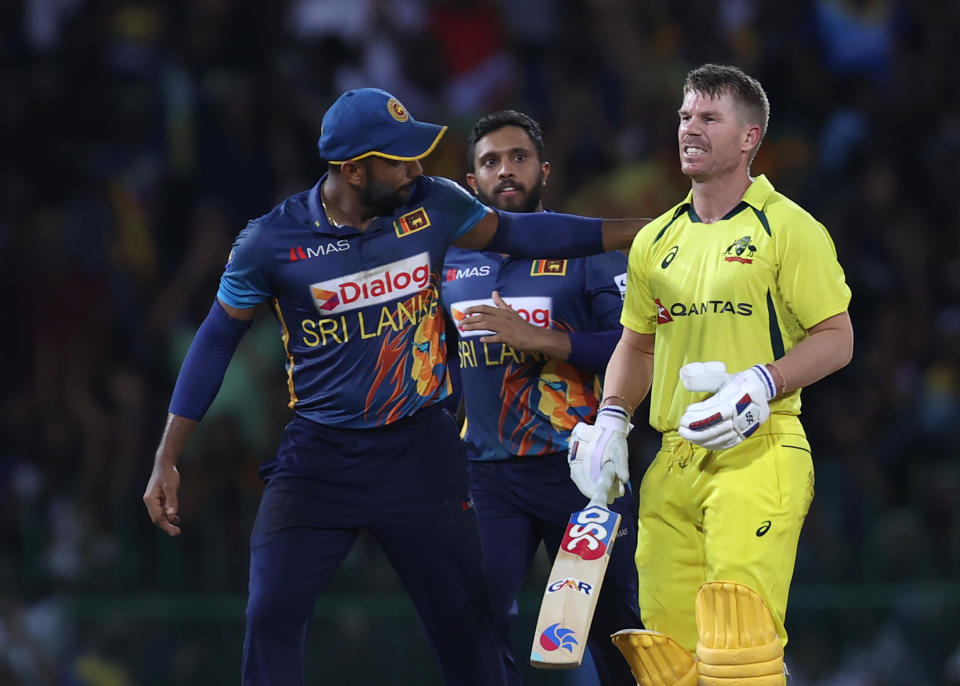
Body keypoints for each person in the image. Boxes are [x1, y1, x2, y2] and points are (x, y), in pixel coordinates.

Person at [141, 87, 645, 686]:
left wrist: (644, 229)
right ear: (352, 170)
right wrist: (169, 452)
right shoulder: (270, 241)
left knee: (469, 624)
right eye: (397, 159)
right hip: (320, 457)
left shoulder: (434, 204)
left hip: (419, 451)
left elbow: (525, 235)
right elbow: (216, 339)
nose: (415, 169)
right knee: (270, 610)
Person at [566, 64, 854, 686]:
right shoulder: (655, 239)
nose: (689, 129)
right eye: (684, 117)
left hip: (760, 451)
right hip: (672, 460)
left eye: (708, 118)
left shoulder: (788, 227)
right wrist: (612, 419)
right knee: (666, 662)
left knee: (737, 650)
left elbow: (838, 340)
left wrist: (763, 382)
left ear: (749, 138)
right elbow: (636, 347)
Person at [440, 110, 643, 685]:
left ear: (544, 170)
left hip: (579, 472)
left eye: (518, 158)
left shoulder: (587, 251)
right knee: (478, 621)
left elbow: (638, 346)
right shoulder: (449, 262)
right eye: (490, 162)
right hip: (488, 477)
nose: (505, 171)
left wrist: (546, 340)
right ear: (471, 179)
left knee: (612, 627)